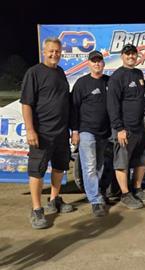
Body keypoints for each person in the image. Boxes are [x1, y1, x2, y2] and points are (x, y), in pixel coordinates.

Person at [20, 37, 73, 229]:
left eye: (58, 52)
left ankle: (54, 199)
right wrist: (30, 130)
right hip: (42, 133)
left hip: (61, 133)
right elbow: (26, 103)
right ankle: (36, 209)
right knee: (37, 171)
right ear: (44, 51)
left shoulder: (60, 72)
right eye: (51, 51)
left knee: (60, 167)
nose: (54, 54)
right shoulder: (34, 73)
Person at [107, 44, 145, 209]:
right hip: (124, 128)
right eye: (127, 54)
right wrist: (119, 128)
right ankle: (125, 194)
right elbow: (112, 106)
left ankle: (137, 189)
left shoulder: (138, 73)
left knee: (141, 159)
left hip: (139, 126)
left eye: (133, 54)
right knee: (122, 162)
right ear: (122, 56)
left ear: (137, 56)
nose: (131, 57)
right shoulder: (116, 77)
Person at [70, 50, 110, 217]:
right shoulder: (82, 83)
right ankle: (94, 200)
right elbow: (73, 108)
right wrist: (75, 131)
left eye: (99, 61)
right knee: (89, 166)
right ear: (89, 63)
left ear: (103, 63)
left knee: (99, 165)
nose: (97, 64)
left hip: (104, 131)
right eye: (93, 61)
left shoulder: (109, 81)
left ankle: (97, 192)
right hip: (86, 130)